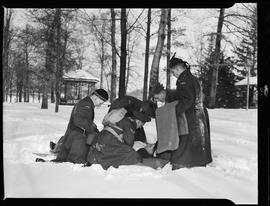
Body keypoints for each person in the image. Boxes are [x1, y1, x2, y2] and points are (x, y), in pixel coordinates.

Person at [151, 54, 212, 170]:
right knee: (196, 140)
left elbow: (187, 100)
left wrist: (173, 112)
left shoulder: (184, 80)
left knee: (188, 138)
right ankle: (197, 160)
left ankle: (184, 162)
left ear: (179, 68)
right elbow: (184, 96)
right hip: (197, 113)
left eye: (173, 72)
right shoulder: (189, 78)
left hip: (192, 115)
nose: (173, 75)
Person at [44, 89, 109, 164]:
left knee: (67, 159)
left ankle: (56, 158)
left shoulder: (87, 103)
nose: (99, 105)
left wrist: (94, 129)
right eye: (100, 102)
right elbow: (80, 121)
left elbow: (84, 120)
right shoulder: (85, 104)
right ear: (95, 97)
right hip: (78, 137)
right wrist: (93, 128)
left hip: (76, 135)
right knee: (75, 161)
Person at [86, 111, 152, 170]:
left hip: (102, 137)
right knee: (132, 154)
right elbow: (129, 141)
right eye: (141, 125)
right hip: (109, 140)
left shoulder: (125, 120)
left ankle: (96, 159)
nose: (140, 127)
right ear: (138, 121)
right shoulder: (131, 124)